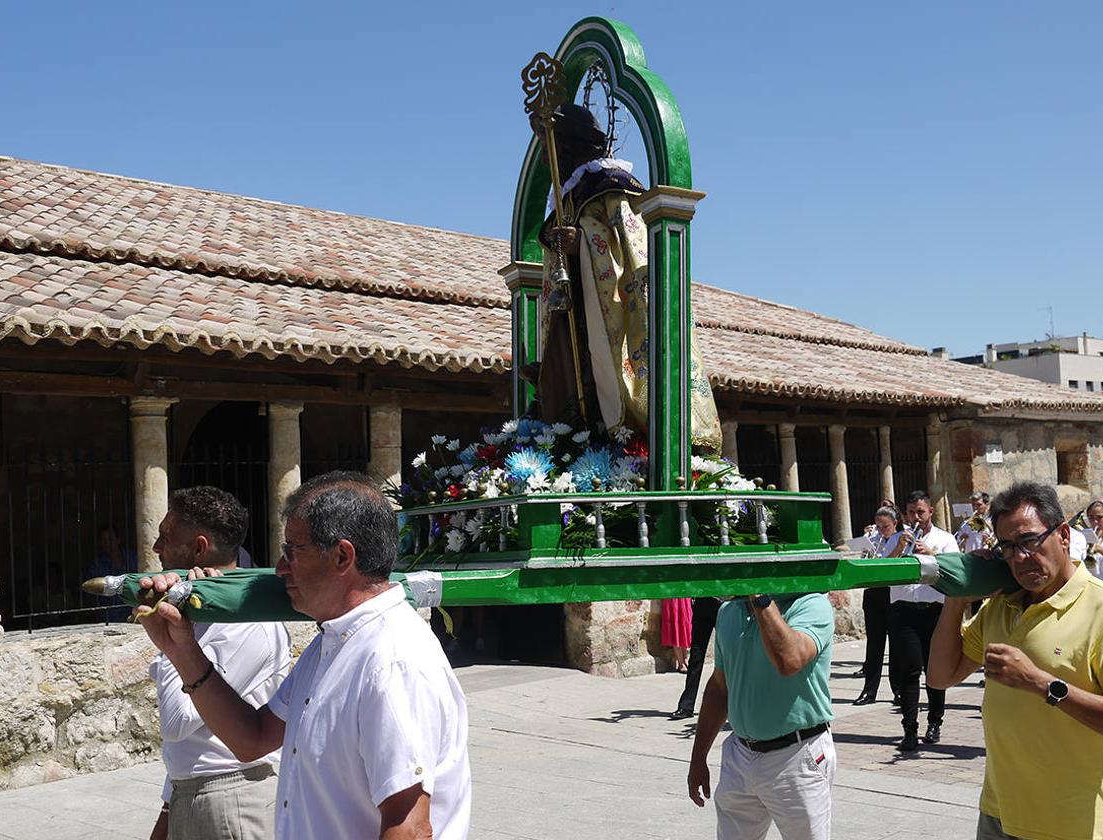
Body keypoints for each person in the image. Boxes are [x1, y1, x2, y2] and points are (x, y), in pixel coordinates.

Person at [136, 472, 471, 839]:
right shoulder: (332, 643)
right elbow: (253, 739)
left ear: (342, 555)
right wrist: (181, 649)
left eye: (292, 551)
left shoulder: (391, 659)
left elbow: (409, 828)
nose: (280, 568)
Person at [929, 481, 1103, 840]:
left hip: (1076, 822)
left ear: (1064, 535)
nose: (1020, 558)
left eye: (1029, 541)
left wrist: (1042, 684)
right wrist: (958, 594)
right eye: (1007, 547)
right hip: (999, 813)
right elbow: (941, 676)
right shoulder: (1001, 606)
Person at [529, 102, 722, 451]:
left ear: (570, 145)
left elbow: (632, 249)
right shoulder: (569, 195)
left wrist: (583, 244)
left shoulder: (611, 186)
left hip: (615, 309)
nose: (546, 159)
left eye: (549, 146)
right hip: (580, 310)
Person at [147, 487, 291, 840]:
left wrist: (173, 644)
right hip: (192, 795)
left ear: (198, 548)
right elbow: (193, 743)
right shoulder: (201, 612)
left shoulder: (249, 622)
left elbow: (177, 722)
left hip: (232, 800)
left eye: (166, 537)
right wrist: (168, 811)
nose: (155, 548)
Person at [686, 591, 836, 839]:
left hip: (797, 757)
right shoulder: (729, 612)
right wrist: (698, 757)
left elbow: (789, 660)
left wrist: (760, 598)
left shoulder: (812, 604)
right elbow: (719, 688)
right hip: (741, 755)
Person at [888, 490, 957, 751]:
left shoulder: (945, 539)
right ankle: (909, 728)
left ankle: (935, 721)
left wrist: (931, 554)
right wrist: (898, 547)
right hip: (904, 611)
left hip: (933, 612)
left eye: (921, 512)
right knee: (909, 671)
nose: (916, 517)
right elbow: (882, 572)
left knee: (934, 671)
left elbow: (954, 571)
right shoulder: (896, 538)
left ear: (931, 512)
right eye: (911, 513)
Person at [854, 506, 901, 706]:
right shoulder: (871, 542)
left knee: (898, 646)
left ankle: (898, 689)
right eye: (879, 527)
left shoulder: (902, 540)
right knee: (874, 645)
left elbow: (894, 566)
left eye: (886, 527)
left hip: (894, 595)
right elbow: (862, 569)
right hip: (873, 594)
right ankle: (869, 690)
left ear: (895, 524)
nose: (882, 531)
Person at [669, 597, 721, 720]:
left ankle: (734, 706)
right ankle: (686, 706)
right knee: (696, 657)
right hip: (702, 603)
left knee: (730, 657)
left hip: (722, 605)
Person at [661, 598, 693, 672]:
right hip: (672, 594)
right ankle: (681, 663)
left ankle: (685, 659)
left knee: (684, 623)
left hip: (683, 594)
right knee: (675, 623)